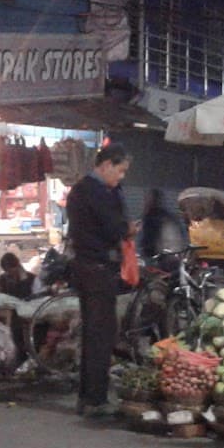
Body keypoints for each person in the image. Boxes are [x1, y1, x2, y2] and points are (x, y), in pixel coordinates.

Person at [66, 143, 136, 415]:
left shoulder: (83, 190)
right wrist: (127, 229)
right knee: (100, 335)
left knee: (94, 333)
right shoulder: (94, 193)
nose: (121, 177)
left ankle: (89, 396)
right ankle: (94, 399)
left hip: (87, 268)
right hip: (96, 270)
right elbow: (113, 227)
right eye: (120, 171)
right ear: (106, 165)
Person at [139, 189, 186, 259]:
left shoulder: (156, 218)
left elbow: (150, 241)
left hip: (162, 259)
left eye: (148, 200)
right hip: (163, 257)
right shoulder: (151, 218)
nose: (145, 203)